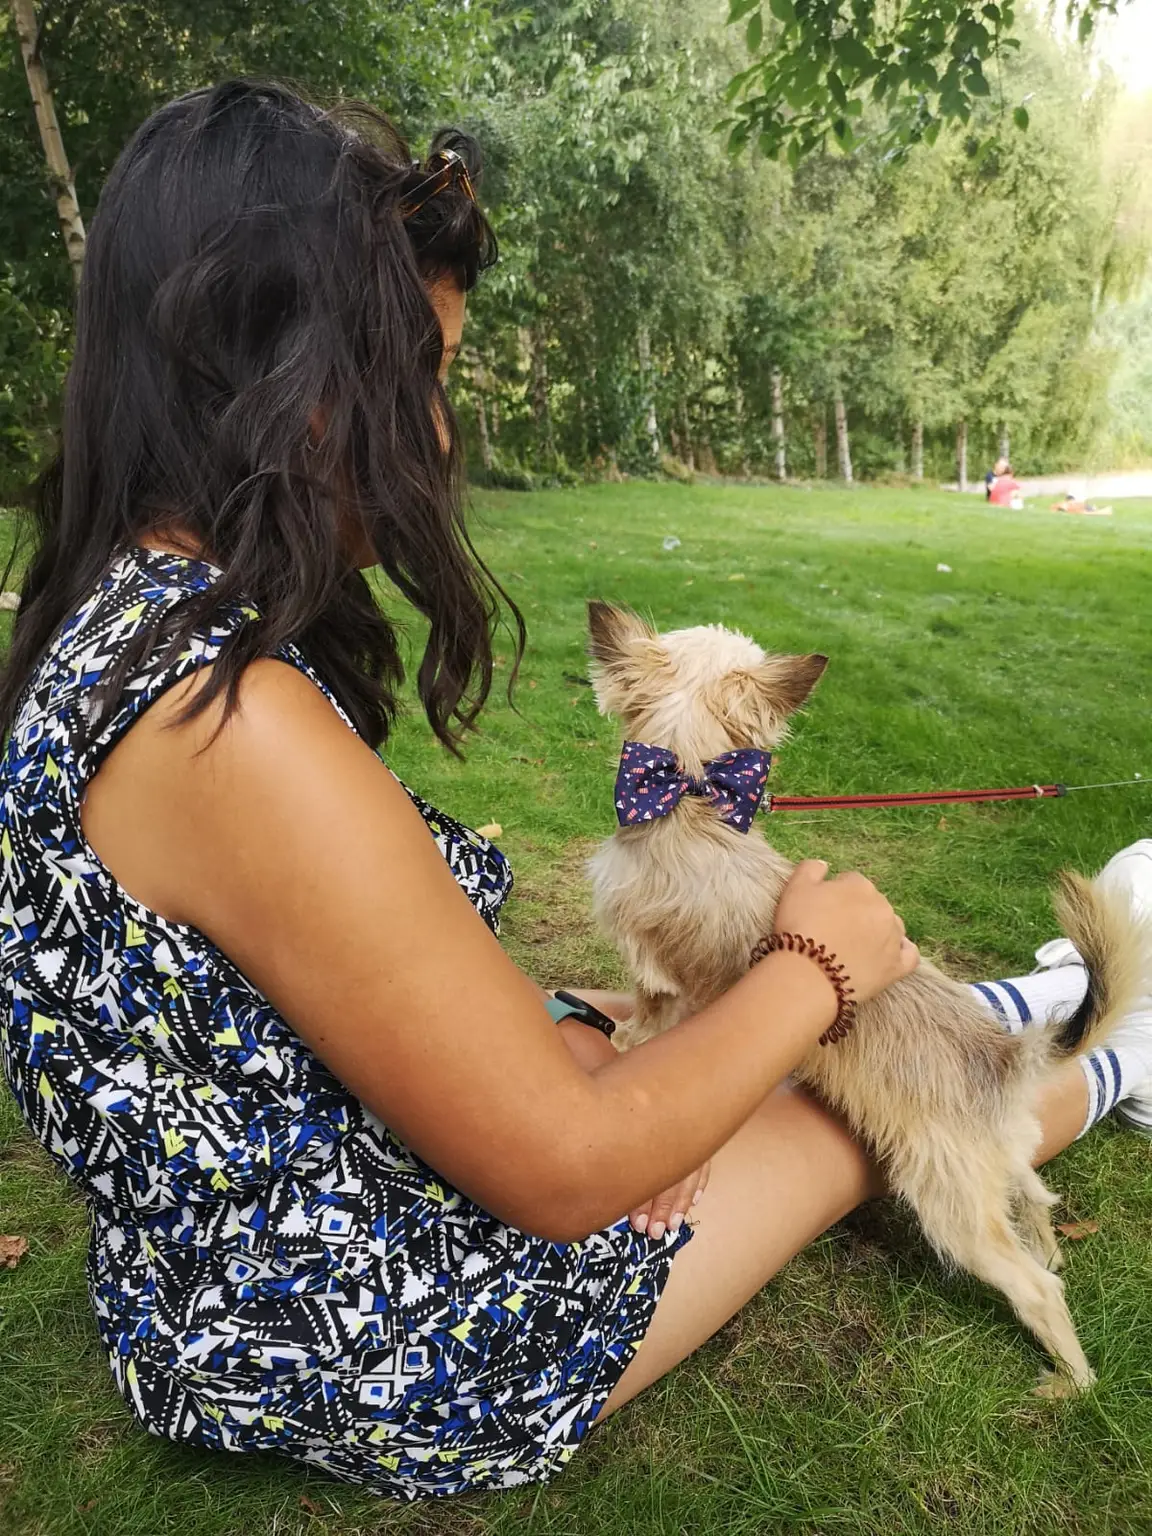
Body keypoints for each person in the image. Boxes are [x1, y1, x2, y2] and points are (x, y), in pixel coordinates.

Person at [1, 81, 1150, 1502]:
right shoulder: (227, 721)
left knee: (677, 1034)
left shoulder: (112, 631)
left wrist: (573, 1031)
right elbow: (565, 1171)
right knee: (851, 1108)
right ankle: (1115, 1063)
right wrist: (816, 966)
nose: (431, 436)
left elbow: (300, 1001)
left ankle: (1036, 1002)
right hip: (382, 1330)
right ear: (271, 372)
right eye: (415, 375)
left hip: (227, 1261)